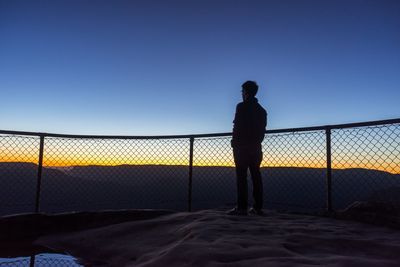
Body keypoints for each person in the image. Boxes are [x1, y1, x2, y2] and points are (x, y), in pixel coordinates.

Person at [228, 81, 267, 216]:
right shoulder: (262, 111)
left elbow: (237, 126)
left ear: (245, 92)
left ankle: (241, 208)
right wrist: (256, 142)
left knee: (241, 177)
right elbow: (262, 131)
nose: (241, 93)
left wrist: (234, 142)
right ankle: (258, 207)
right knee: (256, 175)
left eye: (242, 91)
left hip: (241, 148)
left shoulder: (241, 107)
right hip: (256, 147)